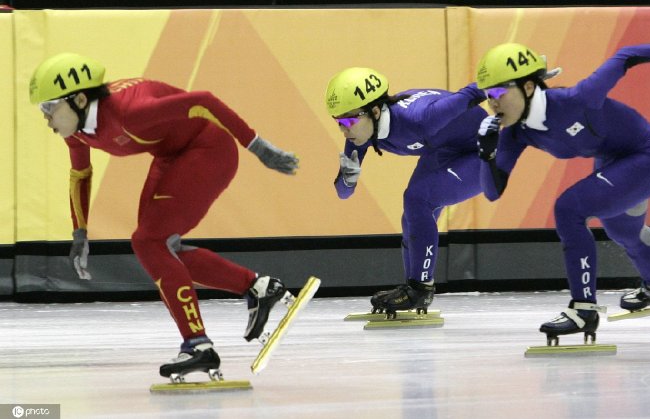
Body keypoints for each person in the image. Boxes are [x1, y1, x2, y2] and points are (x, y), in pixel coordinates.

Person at [29, 52, 300, 379]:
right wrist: (80, 233)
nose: (46, 119)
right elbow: (80, 174)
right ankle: (257, 287)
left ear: (81, 99)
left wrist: (258, 147)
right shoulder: (76, 129)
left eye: (49, 108)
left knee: (149, 242)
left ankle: (198, 345)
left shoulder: (130, 113)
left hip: (208, 149)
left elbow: (204, 101)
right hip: (172, 153)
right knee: (158, 248)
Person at [474, 42, 650, 343]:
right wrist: (486, 155)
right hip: (614, 163)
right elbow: (492, 192)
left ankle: (583, 309)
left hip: (649, 156)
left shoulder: (578, 99)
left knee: (568, 209)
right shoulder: (515, 133)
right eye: (487, 96)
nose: (492, 103)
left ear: (526, 86)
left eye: (498, 93)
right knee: (624, 232)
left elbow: (626, 56)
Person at [326, 67, 496, 316]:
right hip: (444, 149)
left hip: (485, 152)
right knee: (412, 213)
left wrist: (524, 78)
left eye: (349, 120)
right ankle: (413, 287)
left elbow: (472, 92)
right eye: (338, 121)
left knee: (418, 198)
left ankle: (419, 290)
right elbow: (343, 193)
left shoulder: (420, 117)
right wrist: (347, 179)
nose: (344, 129)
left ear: (375, 111)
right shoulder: (359, 131)